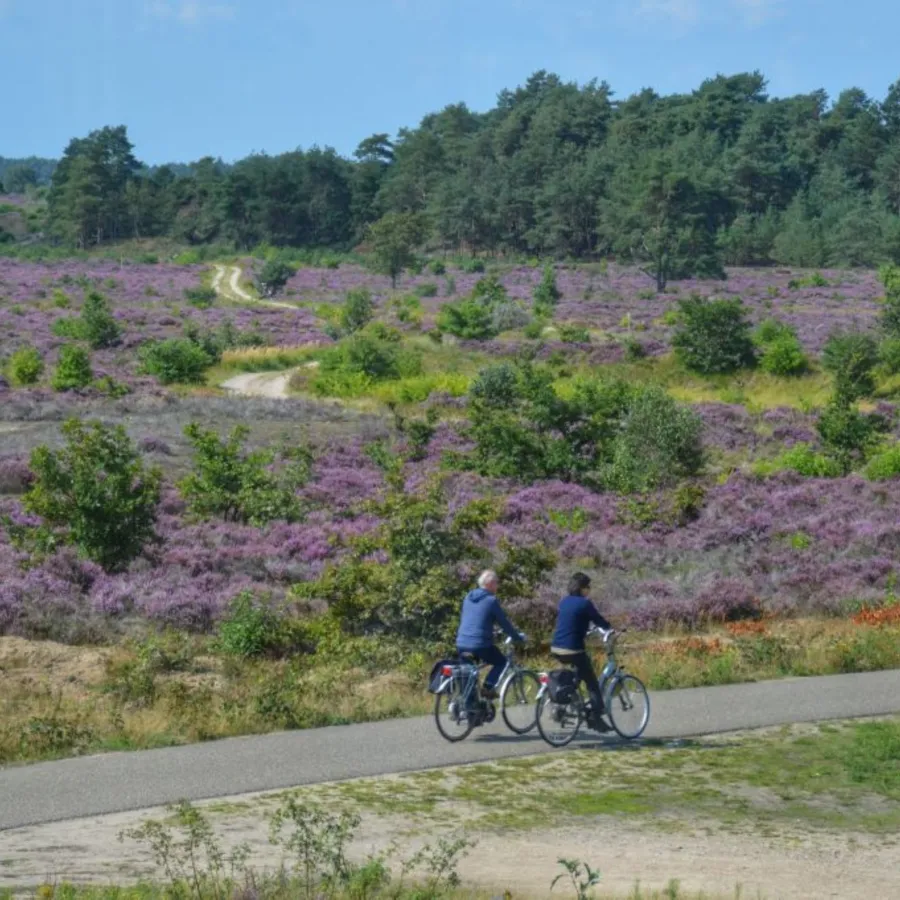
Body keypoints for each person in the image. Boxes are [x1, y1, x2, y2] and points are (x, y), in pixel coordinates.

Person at [550, 572, 614, 731]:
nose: (590, 590)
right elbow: (599, 620)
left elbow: (573, 621)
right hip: (573, 649)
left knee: (578, 675)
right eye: (588, 587)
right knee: (592, 681)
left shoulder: (564, 601)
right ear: (582, 588)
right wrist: (610, 629)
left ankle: (570, 701)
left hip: (556, 647)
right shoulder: (585, 603)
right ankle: (596, 717)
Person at [456, 569, 523, 699]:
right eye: (497, 583)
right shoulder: (491, 600)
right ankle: (487, 688)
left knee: (469, 675)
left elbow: (474, 619)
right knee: (501, 662)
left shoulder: (468, 597)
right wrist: (517, 637)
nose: (498, 586)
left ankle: (469, 708)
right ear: (490, 584)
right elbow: (504, 623)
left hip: (462, 643)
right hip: (479, 644)